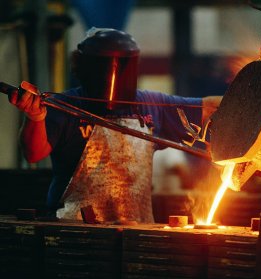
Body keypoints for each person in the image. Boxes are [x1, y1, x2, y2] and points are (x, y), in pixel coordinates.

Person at [8, 28, 222, 223]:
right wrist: (35, 116)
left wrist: (249, 99)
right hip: (72, 231)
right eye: (103, 67)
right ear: (84, 67)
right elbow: (33, 154)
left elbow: (210, 107)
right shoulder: (65, 107)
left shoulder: (151, 105)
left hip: (135, 232)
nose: (111, 77)